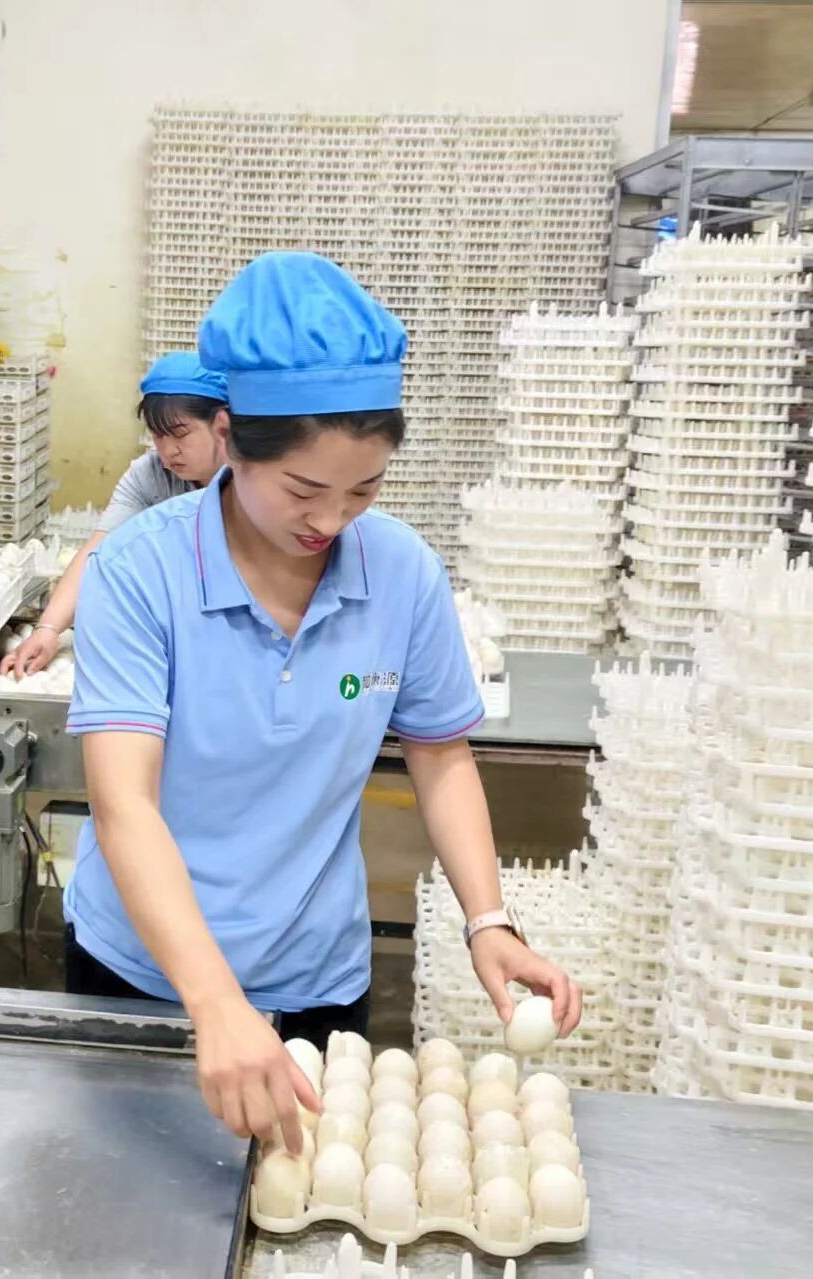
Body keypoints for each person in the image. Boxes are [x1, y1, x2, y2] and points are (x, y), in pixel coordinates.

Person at [62, 251, 582, 1157]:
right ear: (228, 437)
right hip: (145, 970)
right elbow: (123, 805)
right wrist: (214, 1001)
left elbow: (439, 754)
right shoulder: (139, 572)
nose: (332, 520)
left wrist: (487, 919)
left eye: (364, 489)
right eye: (303, 490)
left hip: (313, 973)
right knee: (128, 1193)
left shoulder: (401, 571)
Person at [0, 352, 229, 677]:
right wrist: (48, 630)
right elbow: (99, 553)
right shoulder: (151, 476)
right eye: (158, 434)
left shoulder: (254, 484)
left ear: (222, 425)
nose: (167, 450)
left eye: (180, 433)